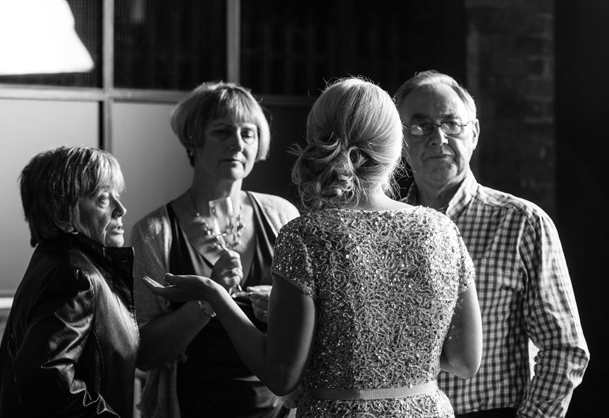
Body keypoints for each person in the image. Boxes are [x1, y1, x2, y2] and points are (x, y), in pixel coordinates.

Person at [141, 76, 483, 418]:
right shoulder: (443, 230)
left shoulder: (305, 235)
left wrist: (215, 295)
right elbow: (466, 361)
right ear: (396, 147)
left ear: (317, 141)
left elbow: (282, 376)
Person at [393, 69, 590, 418]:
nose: (438, 138)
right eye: (420, 126)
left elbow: (565, 348)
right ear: (399, 141)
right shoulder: (386, 228)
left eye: (452, 123)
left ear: (474, 134)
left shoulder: (522, 222)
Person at [131, 81, 300, 418]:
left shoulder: (283, 217)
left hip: (277, 410)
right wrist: (208, 298)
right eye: (223, 131)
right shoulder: (154, 232)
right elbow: (146, 352)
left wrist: (281, 306)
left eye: (248, 134)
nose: (237, 143)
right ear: (193, 138)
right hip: (190, 407)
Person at [0, 146, 139, 418]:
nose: (121, 209)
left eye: (118, 195)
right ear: (62, 212)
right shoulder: (76, 275)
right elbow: (45, 376)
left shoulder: (55, 261)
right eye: (103, 198)